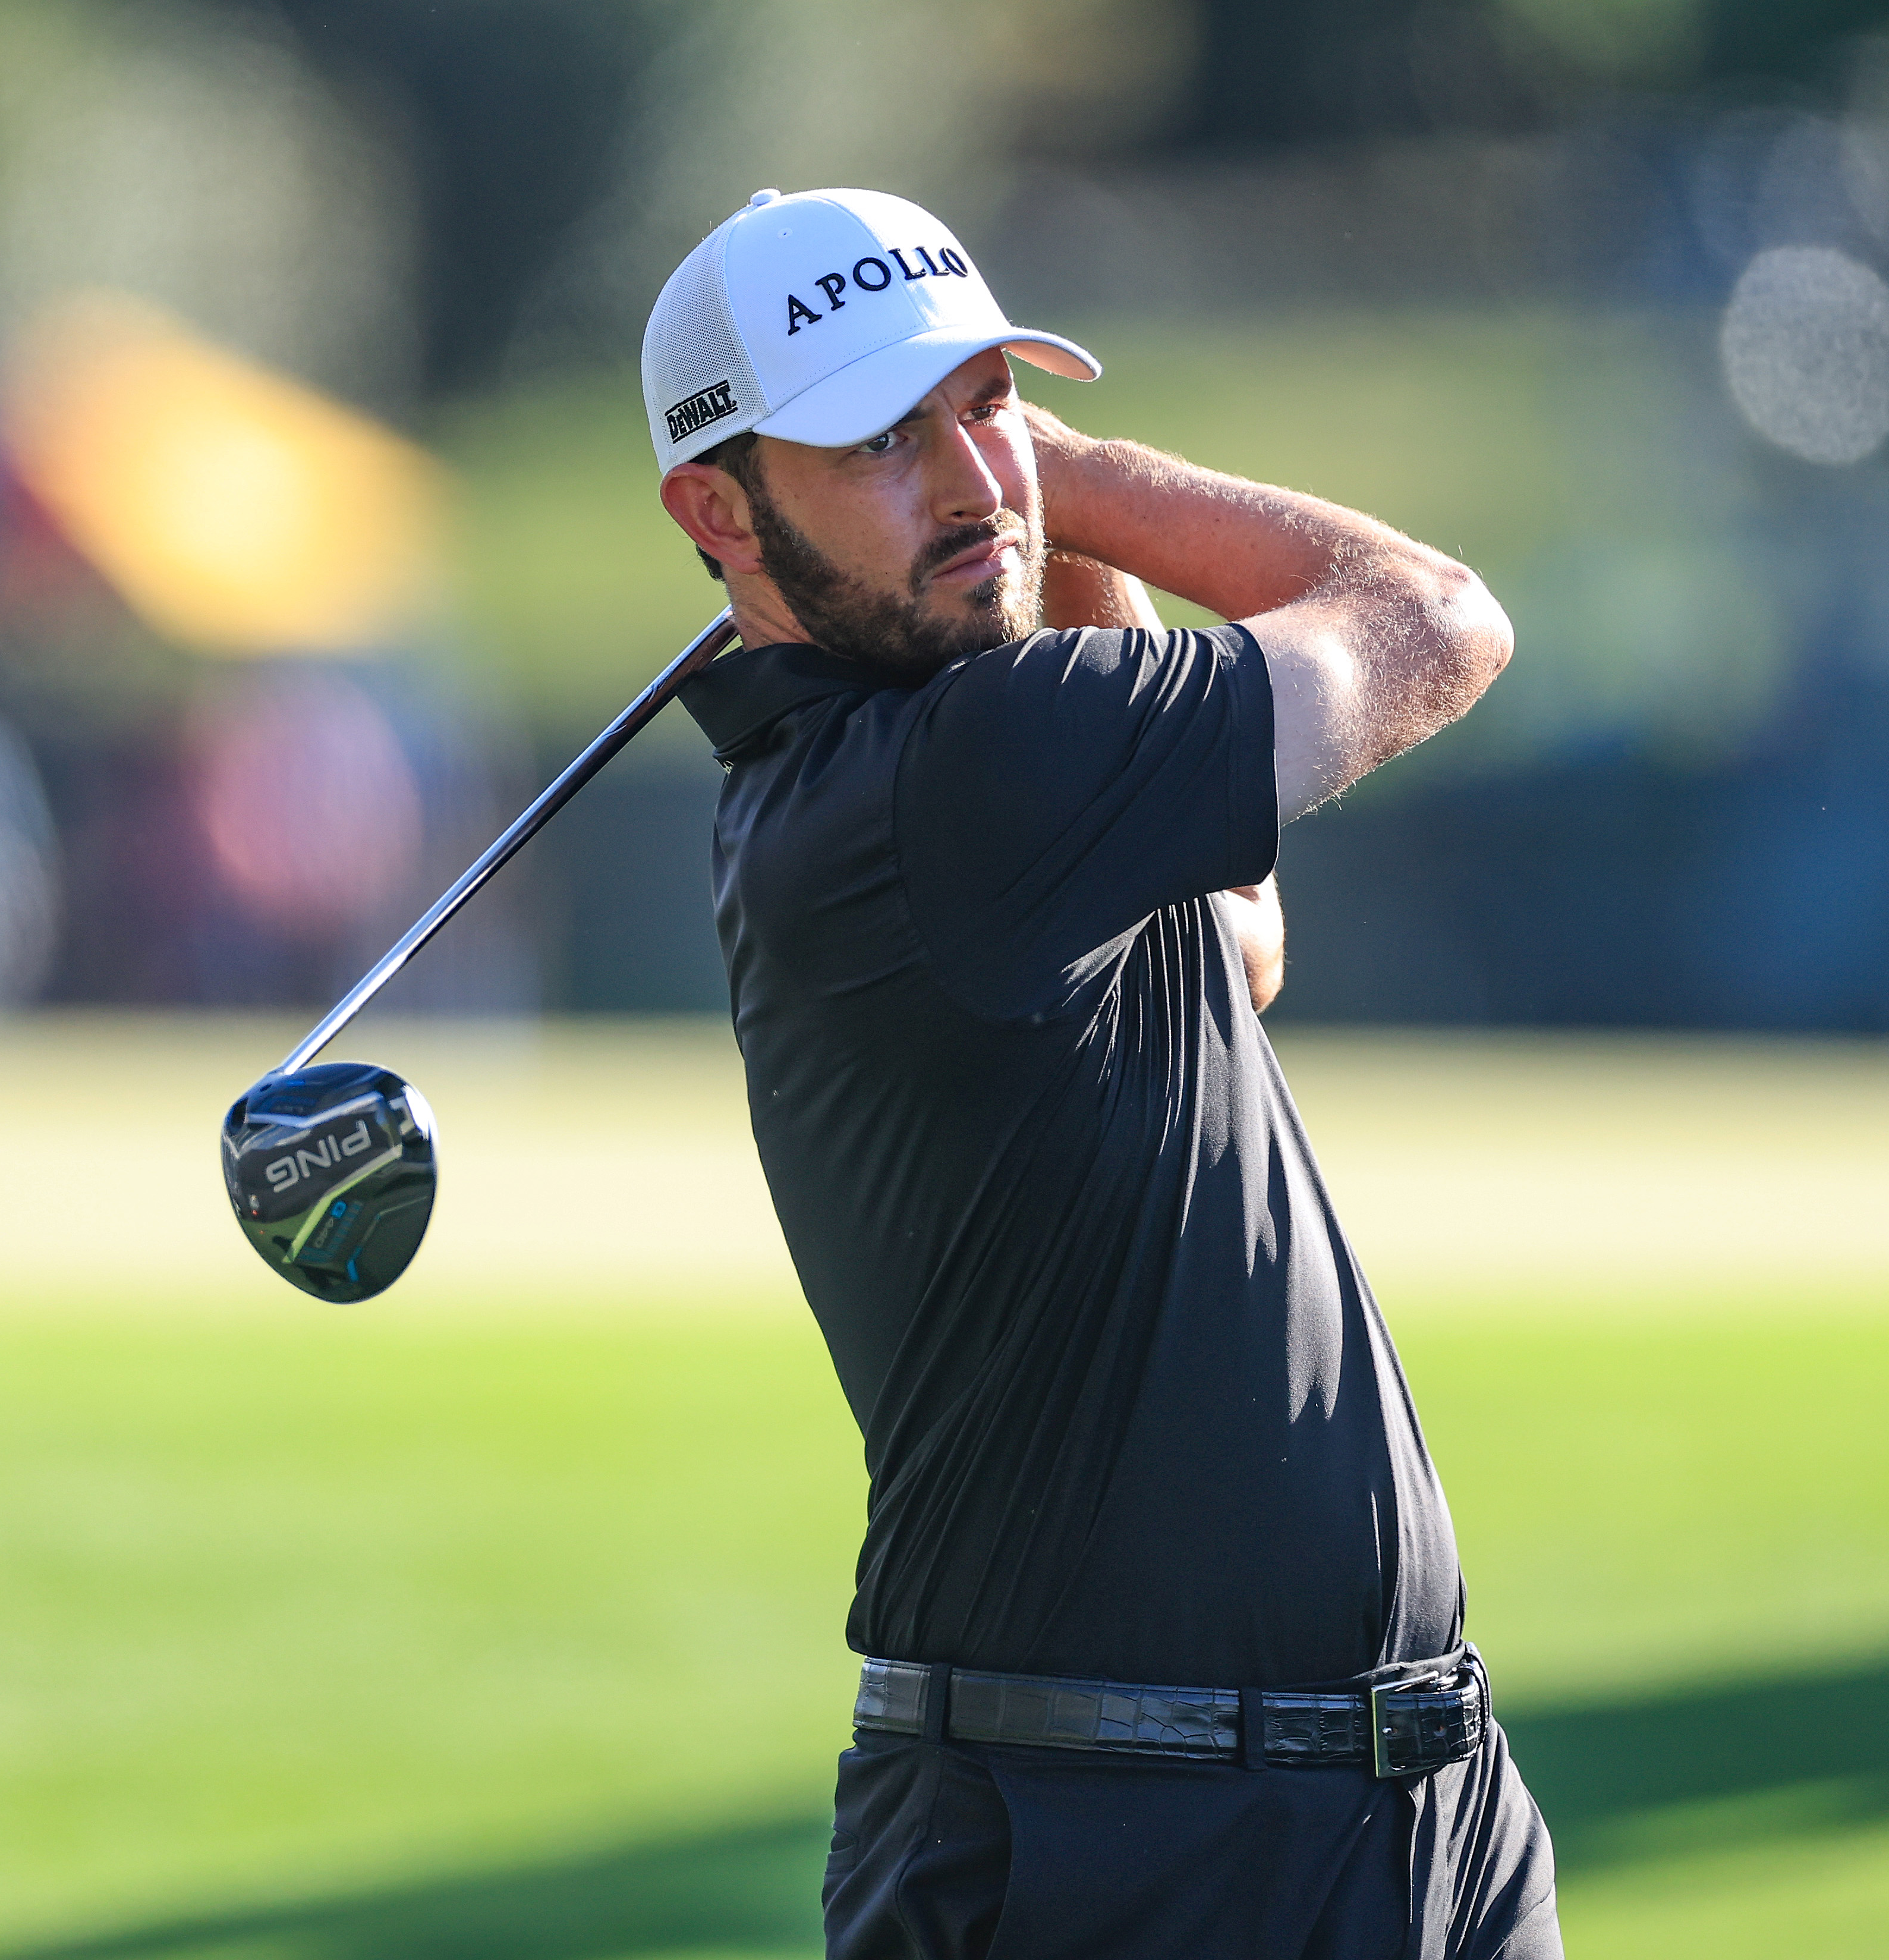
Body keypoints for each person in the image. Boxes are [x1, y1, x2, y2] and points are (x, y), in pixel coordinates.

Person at [646, 187, 1556, 1960]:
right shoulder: (955, 780)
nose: (972, 476)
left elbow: (1233, 933)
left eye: (988, 402)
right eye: (883, 440)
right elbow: (1434, 617)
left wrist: (1010, 510)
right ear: (715, 510)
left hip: (1400, 1810)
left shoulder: (944, 778)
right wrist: (1082, 465)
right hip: (1117, 1850)